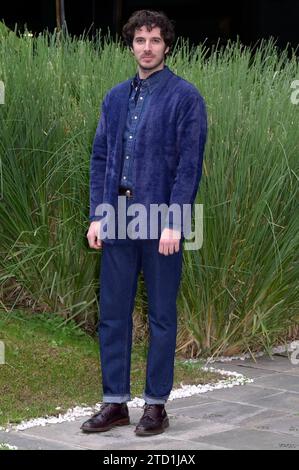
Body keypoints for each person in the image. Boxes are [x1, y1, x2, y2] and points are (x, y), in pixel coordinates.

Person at [81, 9, 207, 436]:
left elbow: (189, 166)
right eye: (140, 40)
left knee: (161, 316)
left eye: (155, 40)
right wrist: (98, 215)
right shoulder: (115, 98)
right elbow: (100, 159)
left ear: (166, 45)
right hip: (117, 218)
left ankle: (156, 405)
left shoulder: (185, 97)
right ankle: (114, 402)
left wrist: (175, 221)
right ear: (131, 45)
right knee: (113, 314)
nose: (147, 48)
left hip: (160, 222)